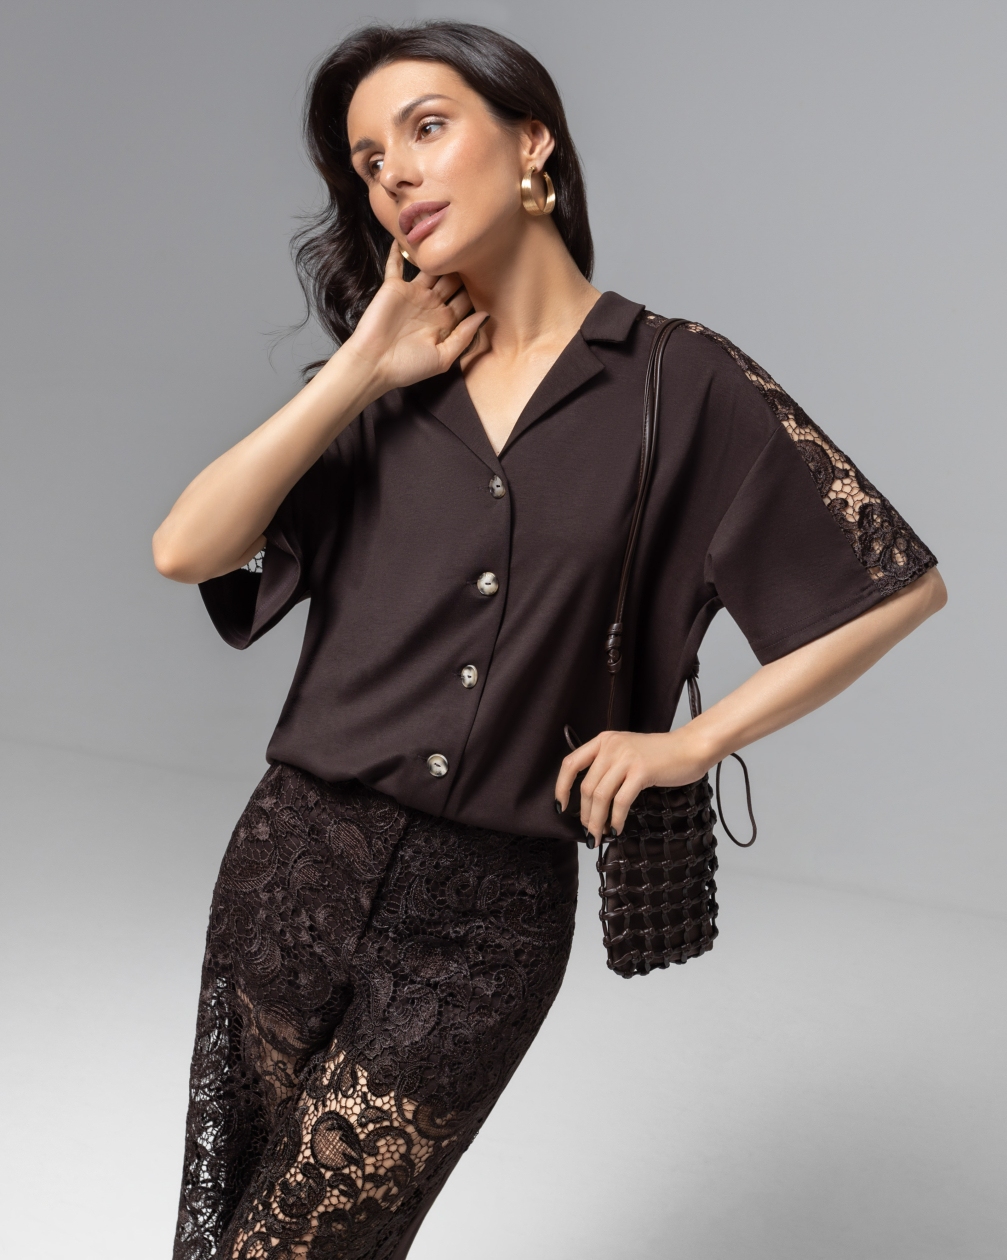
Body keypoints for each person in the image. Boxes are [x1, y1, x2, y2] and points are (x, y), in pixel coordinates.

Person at [153, 20, 947, 1260]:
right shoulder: (389, 382)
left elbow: (898, 586)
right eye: (369, 162)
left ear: (533, 144)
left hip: (484, 924)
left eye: (426, 129)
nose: (395, 174)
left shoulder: (678, 382)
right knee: (220, 1233)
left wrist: (690, 746)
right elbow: (187, 548)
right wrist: (361, 366)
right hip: (292, 865)